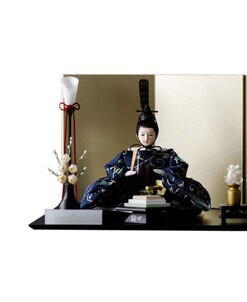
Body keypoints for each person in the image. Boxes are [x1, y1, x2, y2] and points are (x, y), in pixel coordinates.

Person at [80, 80, 211, 212]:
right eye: (142, 134)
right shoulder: (128, 154)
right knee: (101, 189)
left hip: (162, 195)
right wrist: (124, 173)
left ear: (156, 135)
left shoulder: (166, 154)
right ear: (137, 135)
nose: (146, 138)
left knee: (186, 196)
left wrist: (166, 173)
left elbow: (181, 166)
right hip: (130, 194)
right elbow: (111, 167)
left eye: (150, 134)